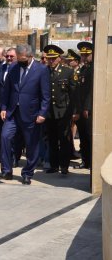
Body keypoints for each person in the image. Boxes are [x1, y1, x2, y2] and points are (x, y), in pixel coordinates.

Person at [0, 44, 50, 185]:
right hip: (12, 113)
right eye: (19, 59)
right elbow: (7, 90)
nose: (20, 62)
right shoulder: (13, 67)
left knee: (32, 145)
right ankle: (7, 170)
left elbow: (46, 95)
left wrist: (42, 113)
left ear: (30, 56)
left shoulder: (41, 69)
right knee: (4, 137)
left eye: (23, 59)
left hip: (31, 114)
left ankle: (27, 173)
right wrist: (3, 107)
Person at [43, 45, 80, 175]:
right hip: (49, 112)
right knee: (52, 139)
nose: (51, 61)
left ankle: (64, 165)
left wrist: (74, 111)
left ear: (59, 58)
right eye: (49, 58)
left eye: (53, 58)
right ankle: (54, 165)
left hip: (63, 111)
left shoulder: (68, 72)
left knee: (64, 139)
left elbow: (74, 93)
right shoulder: (44, 71)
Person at [73, 41, 94, 170]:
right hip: (80, 109)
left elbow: (91, 91)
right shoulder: (83, 69)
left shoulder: (93, 69)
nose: (84, 57)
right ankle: (85, 161)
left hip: (87, 109)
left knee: (89, 136)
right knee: (82, 137)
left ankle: (91, 162)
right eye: (83, 55)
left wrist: (87, 107)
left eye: (87, 55)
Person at [66, 49, 82, 159]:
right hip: (70, 105)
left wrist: (76, 109)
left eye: (70, 60)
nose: (68, 62)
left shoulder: (77, 73)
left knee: (74, 129)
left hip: (77, 106)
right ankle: (71, 150)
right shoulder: (69, 72)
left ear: (76, 61)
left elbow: (77, 93)